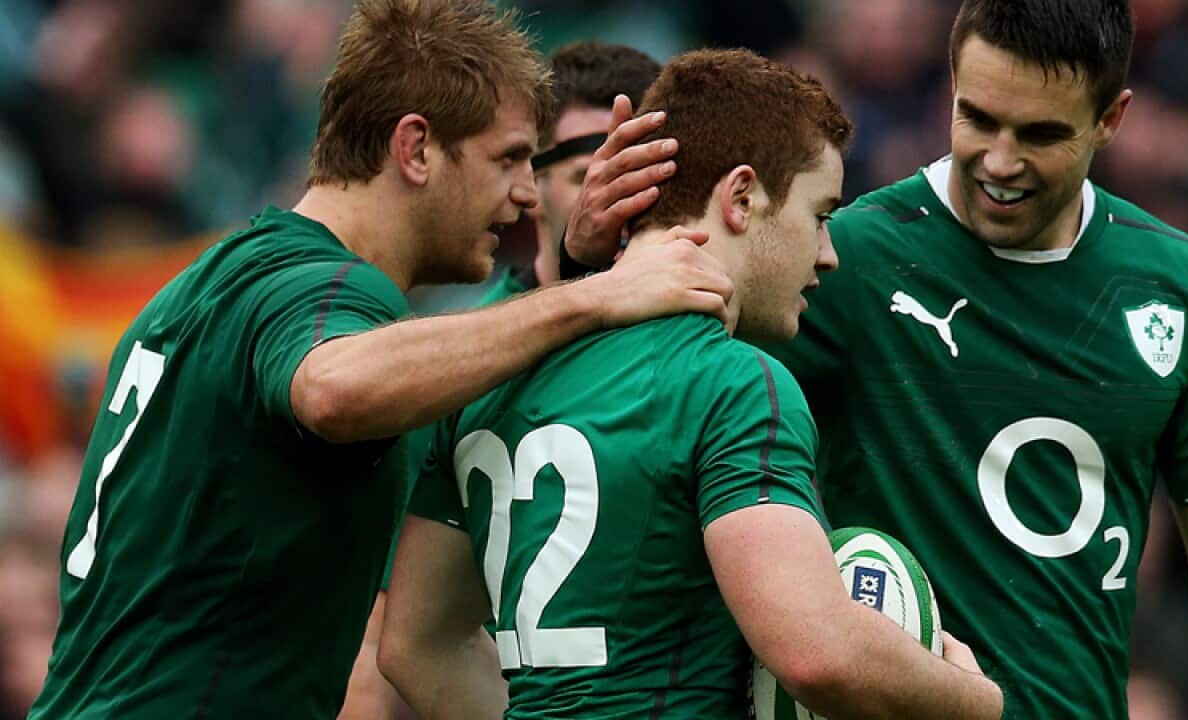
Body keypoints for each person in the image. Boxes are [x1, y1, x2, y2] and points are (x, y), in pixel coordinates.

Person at [566, 1, 1188, 718]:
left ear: (1110, 118)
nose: (1000, 161)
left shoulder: (1179, 288)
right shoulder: (842, 260)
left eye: (1040, 133)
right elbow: (631, 369)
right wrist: (587, 260)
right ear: (950, 81)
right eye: (978, 118)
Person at [27, 1, 735, 718]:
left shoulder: (205, 287)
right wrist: (600, 298)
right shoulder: (326, 286)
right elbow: (335, 386)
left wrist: (577, 274)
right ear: (416, 148)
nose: (525, 195)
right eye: (507, 158)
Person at [378, 48, 1004, 720]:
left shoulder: (488, 377)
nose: (828, 254)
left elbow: (418, 646)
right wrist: (977, 701)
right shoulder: (731, 382)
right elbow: (817, 653)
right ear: (740, 197)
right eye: (820, 215)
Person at [483, 41, 661, 303]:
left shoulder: (708, 325)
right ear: (532, 187)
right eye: (588, 178)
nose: (622, 198)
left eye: (643, 172)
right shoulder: (484, 337)